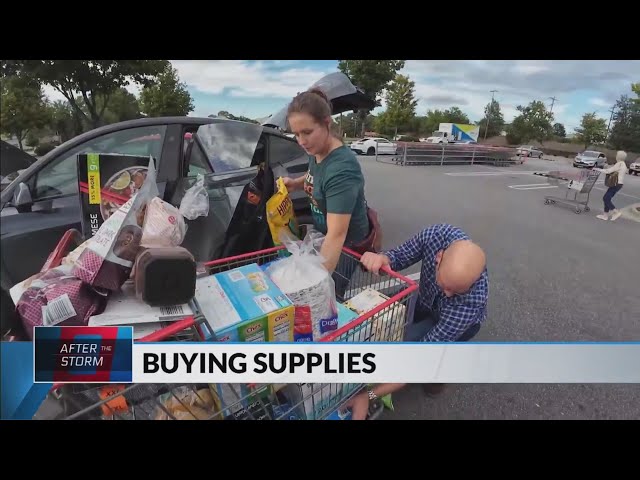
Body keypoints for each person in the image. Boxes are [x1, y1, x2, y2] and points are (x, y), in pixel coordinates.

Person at [345, 223, 488, 420]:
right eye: (445, 285)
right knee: (388, 329)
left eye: (456, 291)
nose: (448, 294)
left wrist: (368, 395)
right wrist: (382, 258)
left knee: (429, 356)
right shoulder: (436, 235)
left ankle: (437, 379)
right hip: (424, 298)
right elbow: (403, 254)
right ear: (438, 259)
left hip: (457, 324)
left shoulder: (469, 304)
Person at [281, 88, 373, 276]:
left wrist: (318, 282)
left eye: (307, 132)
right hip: (323, 235)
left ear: (326, 123)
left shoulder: (342, 169)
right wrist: (296, 183)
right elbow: (315, 176)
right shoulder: (317, 150)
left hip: (345, 245)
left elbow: (337, 234)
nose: (301, 141)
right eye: (296, 134)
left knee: (331, 295)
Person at [594, 150, 628, 221]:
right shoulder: (623, 164)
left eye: (616, 155)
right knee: (607, 198)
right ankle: (605, 215)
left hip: (616, 184)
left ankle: (616, 212)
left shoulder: (620, 163)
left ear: (618, 157)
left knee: (606, 198)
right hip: (618, 184)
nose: (616, 156)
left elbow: (608, 171)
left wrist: (597, 169)